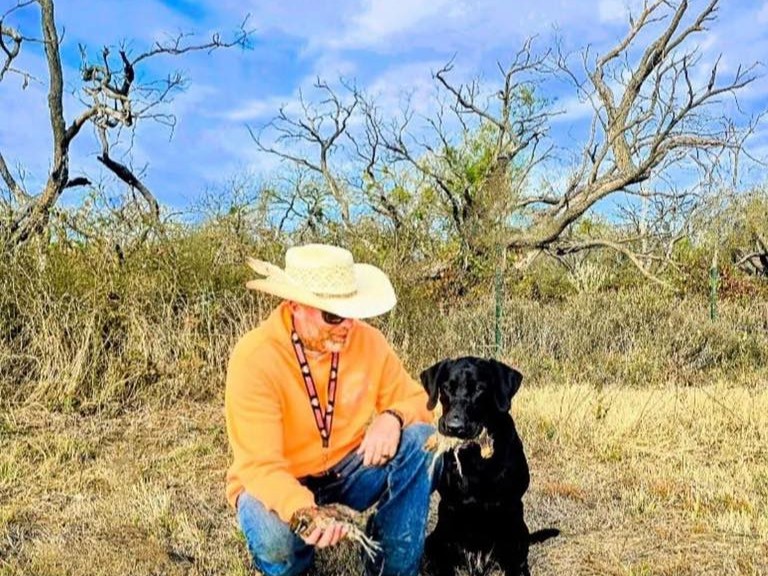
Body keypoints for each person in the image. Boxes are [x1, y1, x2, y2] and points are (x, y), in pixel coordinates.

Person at [225, 243, 437, 576]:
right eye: (333, 315)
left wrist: (393, 417)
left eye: (352, 312)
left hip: (347, 472)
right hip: (280, 481)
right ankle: (295, 564)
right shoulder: (255, 358)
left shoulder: (368, 342)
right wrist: (304, 511)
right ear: (296, 306)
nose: (347, 325)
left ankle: (393, 567)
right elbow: (261, 466)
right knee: (273, 537)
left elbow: (421, 403)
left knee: (422, 441)